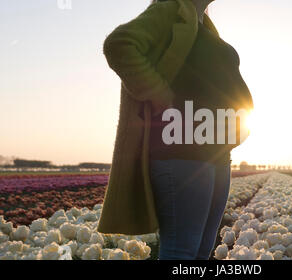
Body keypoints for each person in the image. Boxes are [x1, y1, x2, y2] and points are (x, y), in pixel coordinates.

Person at [97, 0, 253, 260]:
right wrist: (157, 93)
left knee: (202, 251)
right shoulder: (170, 8)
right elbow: (119, 44)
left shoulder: (204, 23)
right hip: (182, 147)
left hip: (216, 152)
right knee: (182, 250)